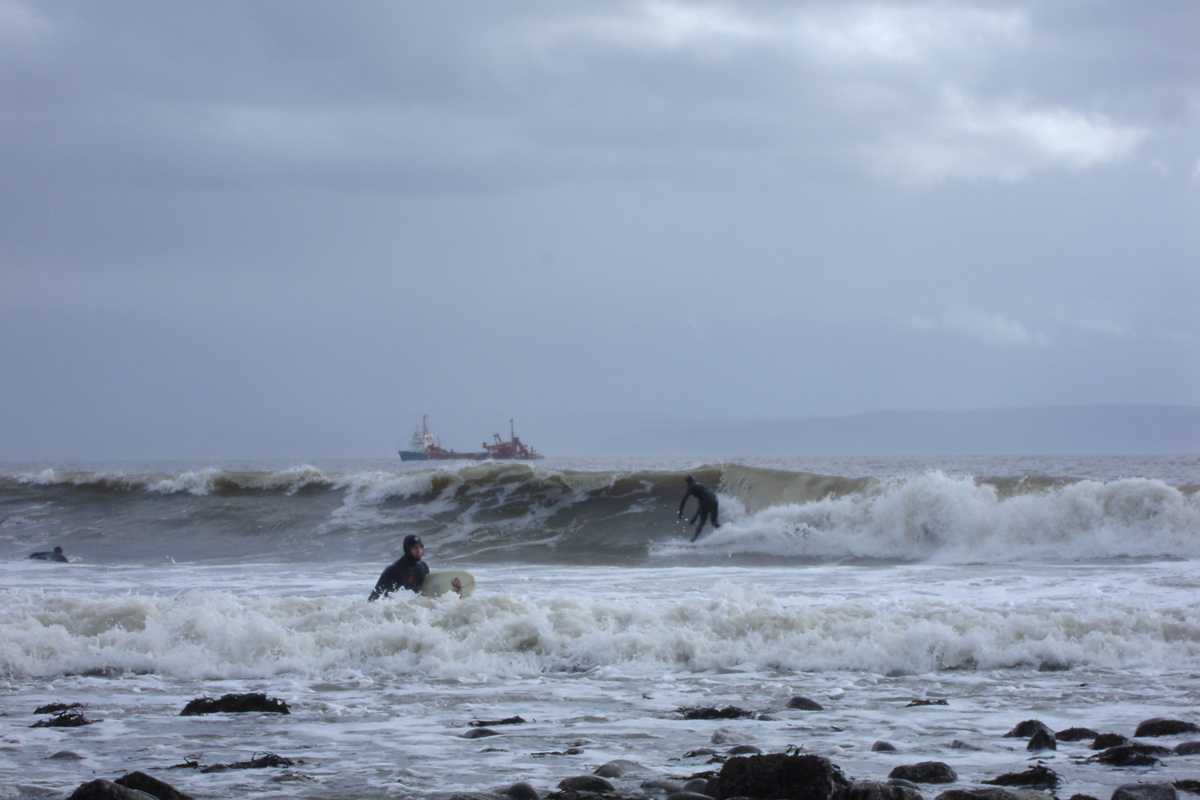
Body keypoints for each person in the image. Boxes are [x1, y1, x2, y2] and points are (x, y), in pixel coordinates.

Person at [368, 534, 430, 600]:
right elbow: (374, 596)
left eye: (420, 547)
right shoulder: (393, 570)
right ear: (407, 549)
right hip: (394, 605)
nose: (419, 551)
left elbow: (429, 591)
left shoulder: (423, 567)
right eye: (415, 548)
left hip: (415, 606)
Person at [678, 475, 720, 541]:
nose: (686, 485)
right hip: (715, 500)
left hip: (707, 501)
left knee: (702, 523)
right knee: (714, 523)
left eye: (686, 483)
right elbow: (701, 505)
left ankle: (693, 540)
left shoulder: (691, 487)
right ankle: (726, 533)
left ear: (688, 482)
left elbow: (684, 500)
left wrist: (680, 512)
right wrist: (695, 517)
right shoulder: (699, 485)